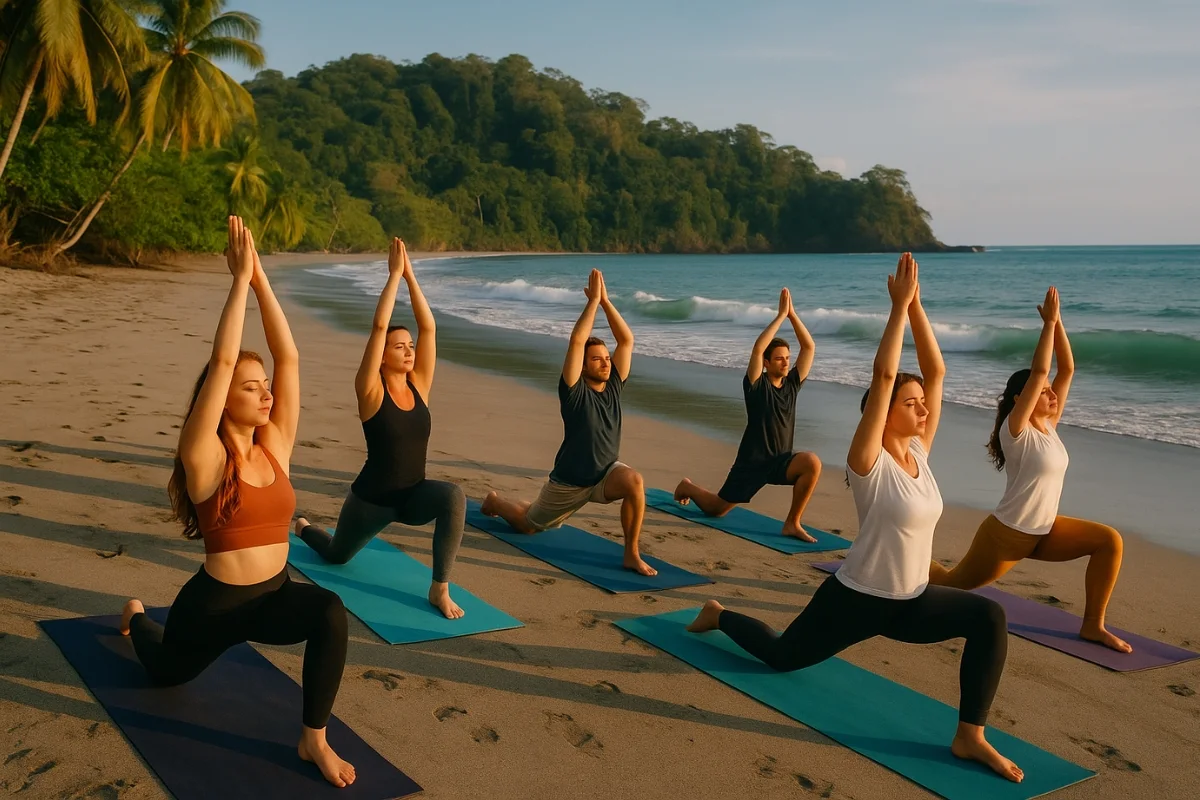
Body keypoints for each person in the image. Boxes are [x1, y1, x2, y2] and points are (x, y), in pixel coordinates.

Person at [688, 253, 1022, 783]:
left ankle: (970, 736)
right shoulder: (869, 463)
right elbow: (887, 373)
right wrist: (895, 311)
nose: (924, 410)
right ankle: (719, 614)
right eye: (910, 404)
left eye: (922, 404)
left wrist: (917, 307)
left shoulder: (921, 455)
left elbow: (936, 372)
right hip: (857, 599)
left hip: (911, 602)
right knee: (780, 656)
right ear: (883, 412)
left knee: (989, 618)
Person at [119, 217, 355, 788]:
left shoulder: (275, 445)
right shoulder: (204, 457)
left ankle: (312, 740)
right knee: (164, 672)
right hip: (214, 607)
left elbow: (290, 357)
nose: (266, 390)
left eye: (263, 385)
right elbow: (221, 363)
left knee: (329, 611)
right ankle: (137, 618)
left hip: (271, 598)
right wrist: (236, 282)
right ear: (222, 400)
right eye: (252, 387)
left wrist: (260, 280)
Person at [929, 287, 1130, 652]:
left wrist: (1059, 324)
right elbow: (1041, 370)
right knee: (950, 583)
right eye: (1043, 391)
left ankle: (1092, 625)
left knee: (1109, 541)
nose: (1052, 395)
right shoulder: (1016, 430)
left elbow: (1066, 369)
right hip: (1007, 535)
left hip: (1045, 530)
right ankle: (904, 558)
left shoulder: (1049, 428)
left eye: (1052, 392)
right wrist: (1047, 325)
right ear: (1021, 399)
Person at [296, 237, 467, 620]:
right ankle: (305, 528)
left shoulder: (419, 385)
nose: (409, 350)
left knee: (453, 496)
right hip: (371, 500)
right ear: (383, 355)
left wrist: (411, 276)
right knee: (337, 555)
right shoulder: (370, 391)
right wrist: (392, 277)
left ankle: (440, 587)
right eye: (400, 346)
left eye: (410, 346)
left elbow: (430, 328)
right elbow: (377, 326)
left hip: (413, 496)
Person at [481, 268, 656, 576]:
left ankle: (631, 553)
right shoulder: (573, 392)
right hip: (569, 482)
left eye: (605, 358)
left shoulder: (615, 384)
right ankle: (495, 501)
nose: (604, 362)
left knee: (635, 481)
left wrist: (605, 302)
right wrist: (591, 304)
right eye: (596, 359)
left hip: (605, 475)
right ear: (583, 365)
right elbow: (576, 341)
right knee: (530, 525)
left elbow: (626, 340)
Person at [673, 287, 822, 539]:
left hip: (780, 461)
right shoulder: (756, 386)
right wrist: (778, 317)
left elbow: (809, 347)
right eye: (778, 359)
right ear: (766, 363)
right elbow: (757, 349)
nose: (786, 362)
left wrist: (792, 315)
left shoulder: (792, 385)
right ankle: (687, 487)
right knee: (716, 509)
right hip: (752, 463)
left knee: (811, 462)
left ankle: (792, 523)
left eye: (787, 358)